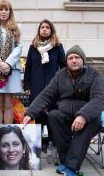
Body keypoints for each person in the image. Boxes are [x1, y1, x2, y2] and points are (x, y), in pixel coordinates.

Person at [23, 45, 104, 176]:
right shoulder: (60, 75)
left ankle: (71, 168)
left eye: (77, 57)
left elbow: (99, 99)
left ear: (83, 60)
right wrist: (30, 113)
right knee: (54, 115)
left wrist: (83, 116)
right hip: (66, 114)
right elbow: (46, 95)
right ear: (66, 61)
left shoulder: (95, 74)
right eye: (70, 58)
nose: (74, 60)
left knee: (89, 124)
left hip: (89, 117)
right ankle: (67, 162)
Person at [23, 19, 66, 150]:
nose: (45, 29)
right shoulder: (33, 47)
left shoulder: (57, 47)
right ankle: (40, 141)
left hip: (53, 87)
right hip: (36, 86)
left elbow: (64, 66)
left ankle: (52, 140)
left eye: (47, 27)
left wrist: (62, 85)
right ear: (39, 30)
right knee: (37, 113)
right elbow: (28, 67)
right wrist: (27, 86)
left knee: (52, 114)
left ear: (51, 30)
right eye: (42, 27)